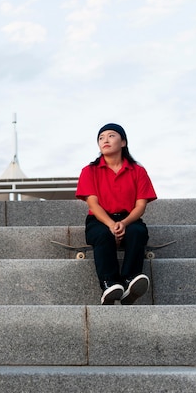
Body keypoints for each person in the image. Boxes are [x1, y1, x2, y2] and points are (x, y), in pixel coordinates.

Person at [75, 123, 157, 305]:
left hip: (128, 218)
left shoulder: (138, 171)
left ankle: (130, 280)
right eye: (101, 138)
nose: (105, 140)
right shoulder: (89, 171)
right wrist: (111, 224)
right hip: (99, 219)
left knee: (138, 232)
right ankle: (109, 285)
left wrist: (124, 223)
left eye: (111, 136)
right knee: (102, 235)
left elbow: (140, 205)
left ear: (123, 142)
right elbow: (93, 204)